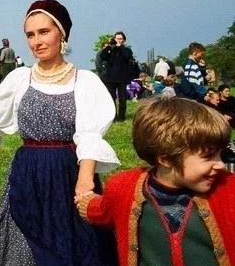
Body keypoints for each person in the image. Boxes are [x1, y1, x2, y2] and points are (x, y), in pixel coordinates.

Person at [0, 0, 119, 266]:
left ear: (61, 34)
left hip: (68, 172)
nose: (36, 41)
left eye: (44, 32)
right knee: (23, 243)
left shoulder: (85, 82)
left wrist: (85, 179)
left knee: (73, 244)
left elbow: (89, 135)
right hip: (27, 172)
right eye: (30, 35)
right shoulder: (20, 79)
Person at [76, 97, 235, 265]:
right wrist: (85, 200)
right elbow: (102, 210)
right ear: (166, 159)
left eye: (221, 154)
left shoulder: (228, 189)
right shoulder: (124, 187)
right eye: (209, 156)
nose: (220, 164)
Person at [99, 31, 134, 121]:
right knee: (111, 98)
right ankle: (113, 116)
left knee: (122, 99)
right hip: (110, 78)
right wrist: (109, 46)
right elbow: (102, 56)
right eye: (116, 38)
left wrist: (120, 47)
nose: (118, 40)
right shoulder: (111, 49)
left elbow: (127, 56)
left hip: (122, 78)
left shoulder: (126, 50)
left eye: (120, 39)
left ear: (124, 40)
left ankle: (121, 117)